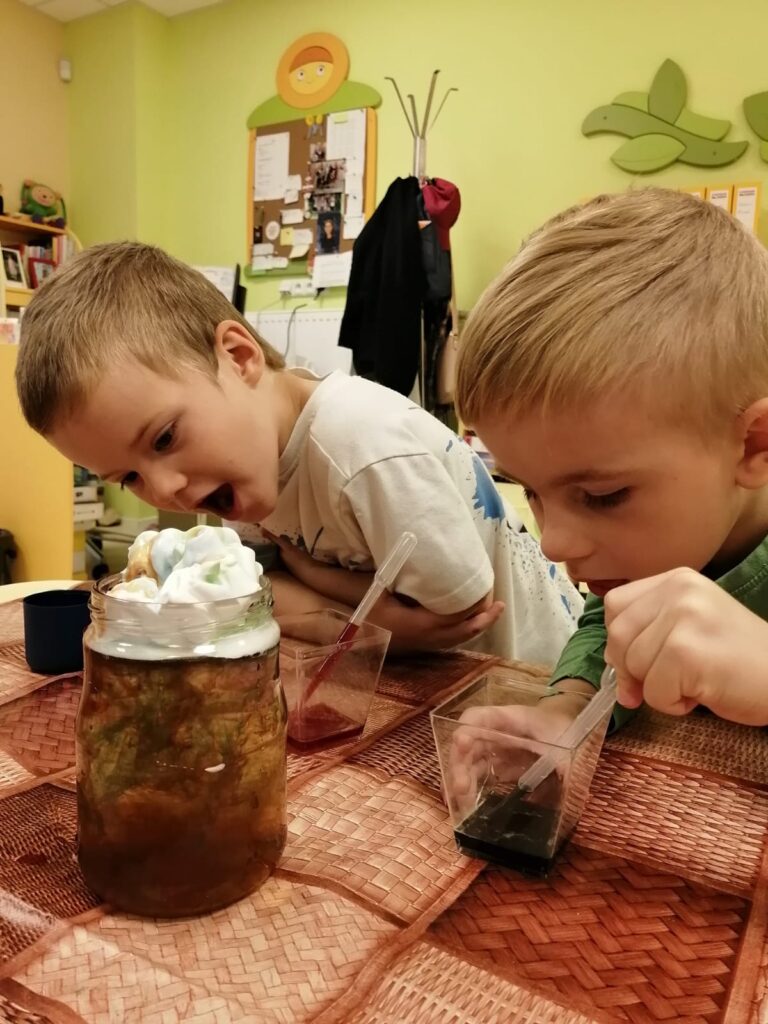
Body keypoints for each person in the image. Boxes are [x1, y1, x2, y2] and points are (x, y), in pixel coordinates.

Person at [15, 241, 581, 662]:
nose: (165, 490)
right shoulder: (240, 462)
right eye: (129, 478)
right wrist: (345, 615)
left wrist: (312, 577)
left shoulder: (363, 444)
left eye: (164, 438)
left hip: (537, 680)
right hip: (413, 681)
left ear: (238, 357)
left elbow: (456, 614)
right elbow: (256, 589)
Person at [455, 187, 768, 738]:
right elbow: (611, 620)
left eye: (603, 496)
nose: (553, 545)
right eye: (529, 491)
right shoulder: (645, 557)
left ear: (754, 446)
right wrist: (567, 710)